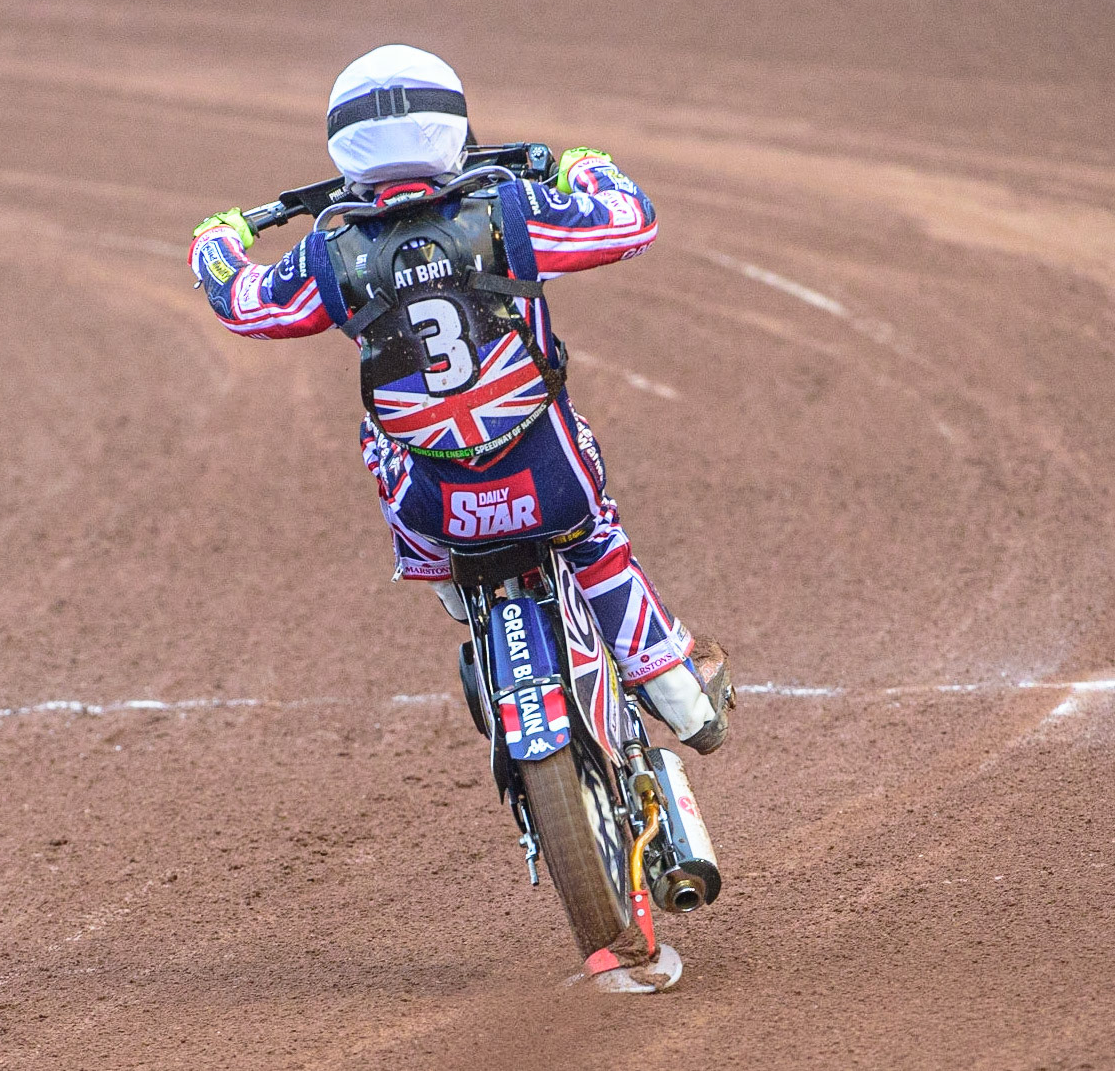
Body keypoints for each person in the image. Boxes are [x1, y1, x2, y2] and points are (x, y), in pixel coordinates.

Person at [188, 44, 730, 753]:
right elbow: (631, 222)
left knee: (376, 436)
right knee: (595, 537)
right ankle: (676, 690)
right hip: (549, 479)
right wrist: (586, 166)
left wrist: (217, 242)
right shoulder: (509, 211)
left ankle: (445, 581)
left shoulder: (330, 254)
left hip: (436, 506)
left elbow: (245, 305)